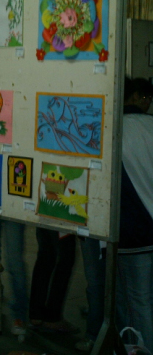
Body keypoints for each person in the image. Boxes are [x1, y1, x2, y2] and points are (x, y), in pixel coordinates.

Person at [117, 77, 153, 350]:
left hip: (129, 230)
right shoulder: (149, 126)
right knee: (143, 299)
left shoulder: (114, 131)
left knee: (132, 300)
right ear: (136, 97)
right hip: (146, 226)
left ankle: (137, 348)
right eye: (147, 97)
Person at [29, 230, 78, 333]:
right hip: (64, 223)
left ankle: (36, 315)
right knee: (65, 259)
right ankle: (52, 318)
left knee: (45, 256)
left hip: (45, 220)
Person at [76, 237, 106, 351]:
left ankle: (94, 335)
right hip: (90, 232)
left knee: (96, 282)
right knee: (95, 282)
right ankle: (93, 335)